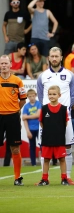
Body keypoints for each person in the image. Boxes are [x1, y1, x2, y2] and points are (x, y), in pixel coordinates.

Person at [37, 47, 74, 185]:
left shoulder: (69, 75)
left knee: (67, 147)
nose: (54, 59)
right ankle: (44, 178)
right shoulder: (42, 76)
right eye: (52, 56)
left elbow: (73, 95)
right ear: (49, 58)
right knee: (44, 148)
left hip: (64, 118)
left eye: (57, 56)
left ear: (61, 58)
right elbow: (41, 95)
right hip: (48, 118)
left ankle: (67, 177)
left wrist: (64, 110)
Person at [0, 55, 27, 185]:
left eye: (6, 63)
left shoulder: (17, 81)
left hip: (12, 117)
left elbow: (23, 99)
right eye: (1, 63)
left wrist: (15, 110)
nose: (4, 65)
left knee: (15, 148)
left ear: (10, 65)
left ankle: (17, 177)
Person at [37, 85, 69, 186]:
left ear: (59, 95)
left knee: (62, 159)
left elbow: (65, 122)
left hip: (59, 139)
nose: (52, 96)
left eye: (54, 94)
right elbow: (42, 123)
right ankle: (44, 179)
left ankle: (64, 179)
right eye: (50, 94)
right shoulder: (44, 108)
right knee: (46, 159)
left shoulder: (64, 109)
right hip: (47, 139)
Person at [22, 89, 42, 166]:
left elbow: (38, 115)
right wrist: (27, 131)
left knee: (42, 145)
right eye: (30, 96)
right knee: (32, 146)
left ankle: (44, 160)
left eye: (33, 96)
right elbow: (24, 120)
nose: (31, 98)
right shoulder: (26, 106)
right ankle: (33, 163)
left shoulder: (39, 104)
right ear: (27, 97)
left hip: (39, 128)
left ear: (35, 95)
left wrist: (27, 116)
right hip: (31, 129)